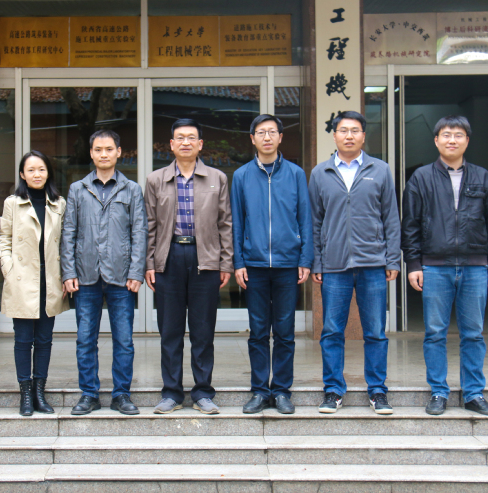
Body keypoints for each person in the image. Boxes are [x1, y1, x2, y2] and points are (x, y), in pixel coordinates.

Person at [402, 115, 488, 417]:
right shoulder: (421, 177)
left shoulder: (482, 177)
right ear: (436, 140)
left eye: (458, 135)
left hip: (475, 266)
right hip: (435, 266)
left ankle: (473, 393)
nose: (452, 140)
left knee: (473, 333)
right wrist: (414, 263)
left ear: (467, 141)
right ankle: (438, 391)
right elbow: (410, 224)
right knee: (435, 332)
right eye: (446, 135)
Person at [309, 111, 401, 415]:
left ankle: (378, 391)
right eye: (343, 130)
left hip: (373, 264)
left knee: (375, 331)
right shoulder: (320, 173)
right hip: (334, 266)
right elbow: (314, 222)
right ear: (334, 135)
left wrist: (392, 258)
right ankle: (333, 390)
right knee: (332, 331)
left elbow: (391, 218)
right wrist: (317, 262)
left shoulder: (380, 170)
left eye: (355, 130)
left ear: (363, 135)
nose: (349, 135)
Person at [145, 118, 233, 415]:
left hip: (204, 258)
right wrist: (149, 263)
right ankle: (171, 393)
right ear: (171, 144)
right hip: (169, 257)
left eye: (191, 137)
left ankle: (203, 392)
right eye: (180, 138)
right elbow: (149, 226)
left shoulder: (217, 178)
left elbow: (225, 223)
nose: (185, 142)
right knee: (170, 330)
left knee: (202, 330)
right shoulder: (156, 180)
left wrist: (226, 263)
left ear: (200, 144)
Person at [60, 129, 147, 416]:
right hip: (86, 275)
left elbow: (139, 232)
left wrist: (136, 271)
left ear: (119, 152)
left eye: (109, 149)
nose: (104, 154)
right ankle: (89, 394)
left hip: (121, 277)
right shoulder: (78, 189)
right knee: (86, 339)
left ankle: (121, 394)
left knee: (124, 340)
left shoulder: (131, 189)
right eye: (98, 149)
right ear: (91, 153)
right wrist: (68, 272)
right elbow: (68, 232)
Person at [231, 114, 313, 415]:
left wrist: (305, 258)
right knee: (258, 331)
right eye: (260, 132)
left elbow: (305, 218)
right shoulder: (241, 176)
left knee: (285, 331)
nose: (266, 137)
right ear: (252, 138)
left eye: (272, 132)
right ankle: (259, 390)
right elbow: (236, 222)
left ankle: (281, 391)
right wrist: (238, 261)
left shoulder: (295, 174)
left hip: (287, 264)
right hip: (253, 265)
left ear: (280, 137)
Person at [0, 150, 67, 416]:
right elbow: (4, 239)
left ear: (48, 172)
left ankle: (40, 391)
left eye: (41, 169)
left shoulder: (59, 204)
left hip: (50, 280)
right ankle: (25, 394)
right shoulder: (12, 203)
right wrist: (8, 267)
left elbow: (66, 242)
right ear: (22, 174)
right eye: (31, 170)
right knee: (23, 340)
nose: (36, 174)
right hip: (22, 280)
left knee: (45, 340)